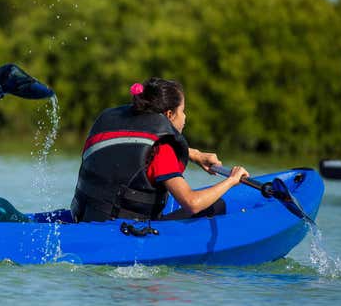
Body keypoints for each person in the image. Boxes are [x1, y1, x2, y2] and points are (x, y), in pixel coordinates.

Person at [70, 77, 249, 222]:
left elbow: (137, 151)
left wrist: (195, 154)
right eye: (183, 111)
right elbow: (192, 203)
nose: (185, 117)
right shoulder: (163, 150)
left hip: (86, 218)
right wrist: (232, 180)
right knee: (216, 206)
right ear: (170, 115)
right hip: (126, 233)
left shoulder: (114, 123)